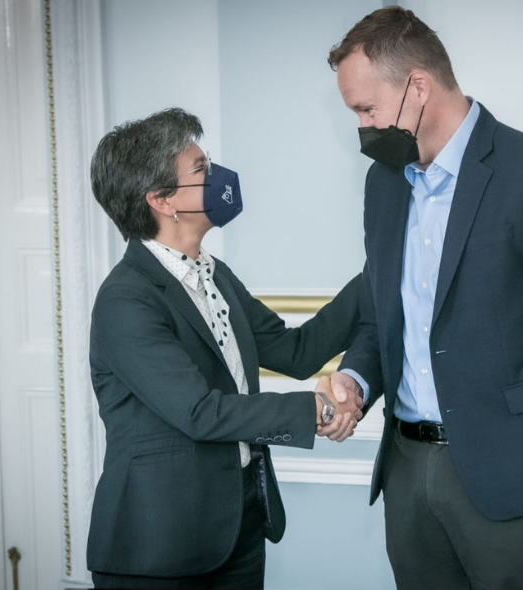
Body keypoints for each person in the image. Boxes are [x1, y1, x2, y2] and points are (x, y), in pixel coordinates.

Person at [326, 7, 523, 589]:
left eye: (366, 109)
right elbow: (383, 313)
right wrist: (357, 379)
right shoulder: (383, 184)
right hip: (408, 473)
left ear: (418, 86)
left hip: (522, 479)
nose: (361, 127)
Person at [85, 107, 361, 589]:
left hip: (239, 526)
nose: (218, 177)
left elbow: (296, 353)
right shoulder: (126, 300)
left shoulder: (215, 275)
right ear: (162, 201)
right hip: (159, 546)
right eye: (201, 170)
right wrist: (313, 411)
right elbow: (199, 412)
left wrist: (381, 273)